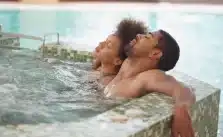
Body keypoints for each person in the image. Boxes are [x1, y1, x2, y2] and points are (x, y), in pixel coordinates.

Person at [102, 30, 195, 137]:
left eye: (147, 37)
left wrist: (181, 109)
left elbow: (183, 89)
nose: (138, 35)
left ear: (155, 53)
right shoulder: (125, 67)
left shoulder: (146, 77)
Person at [89, 18, 148, 86]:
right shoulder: (99, 66)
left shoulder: (108, 82)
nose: (101, 43)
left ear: (117, 61)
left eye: (108, 45)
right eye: (106, 40)